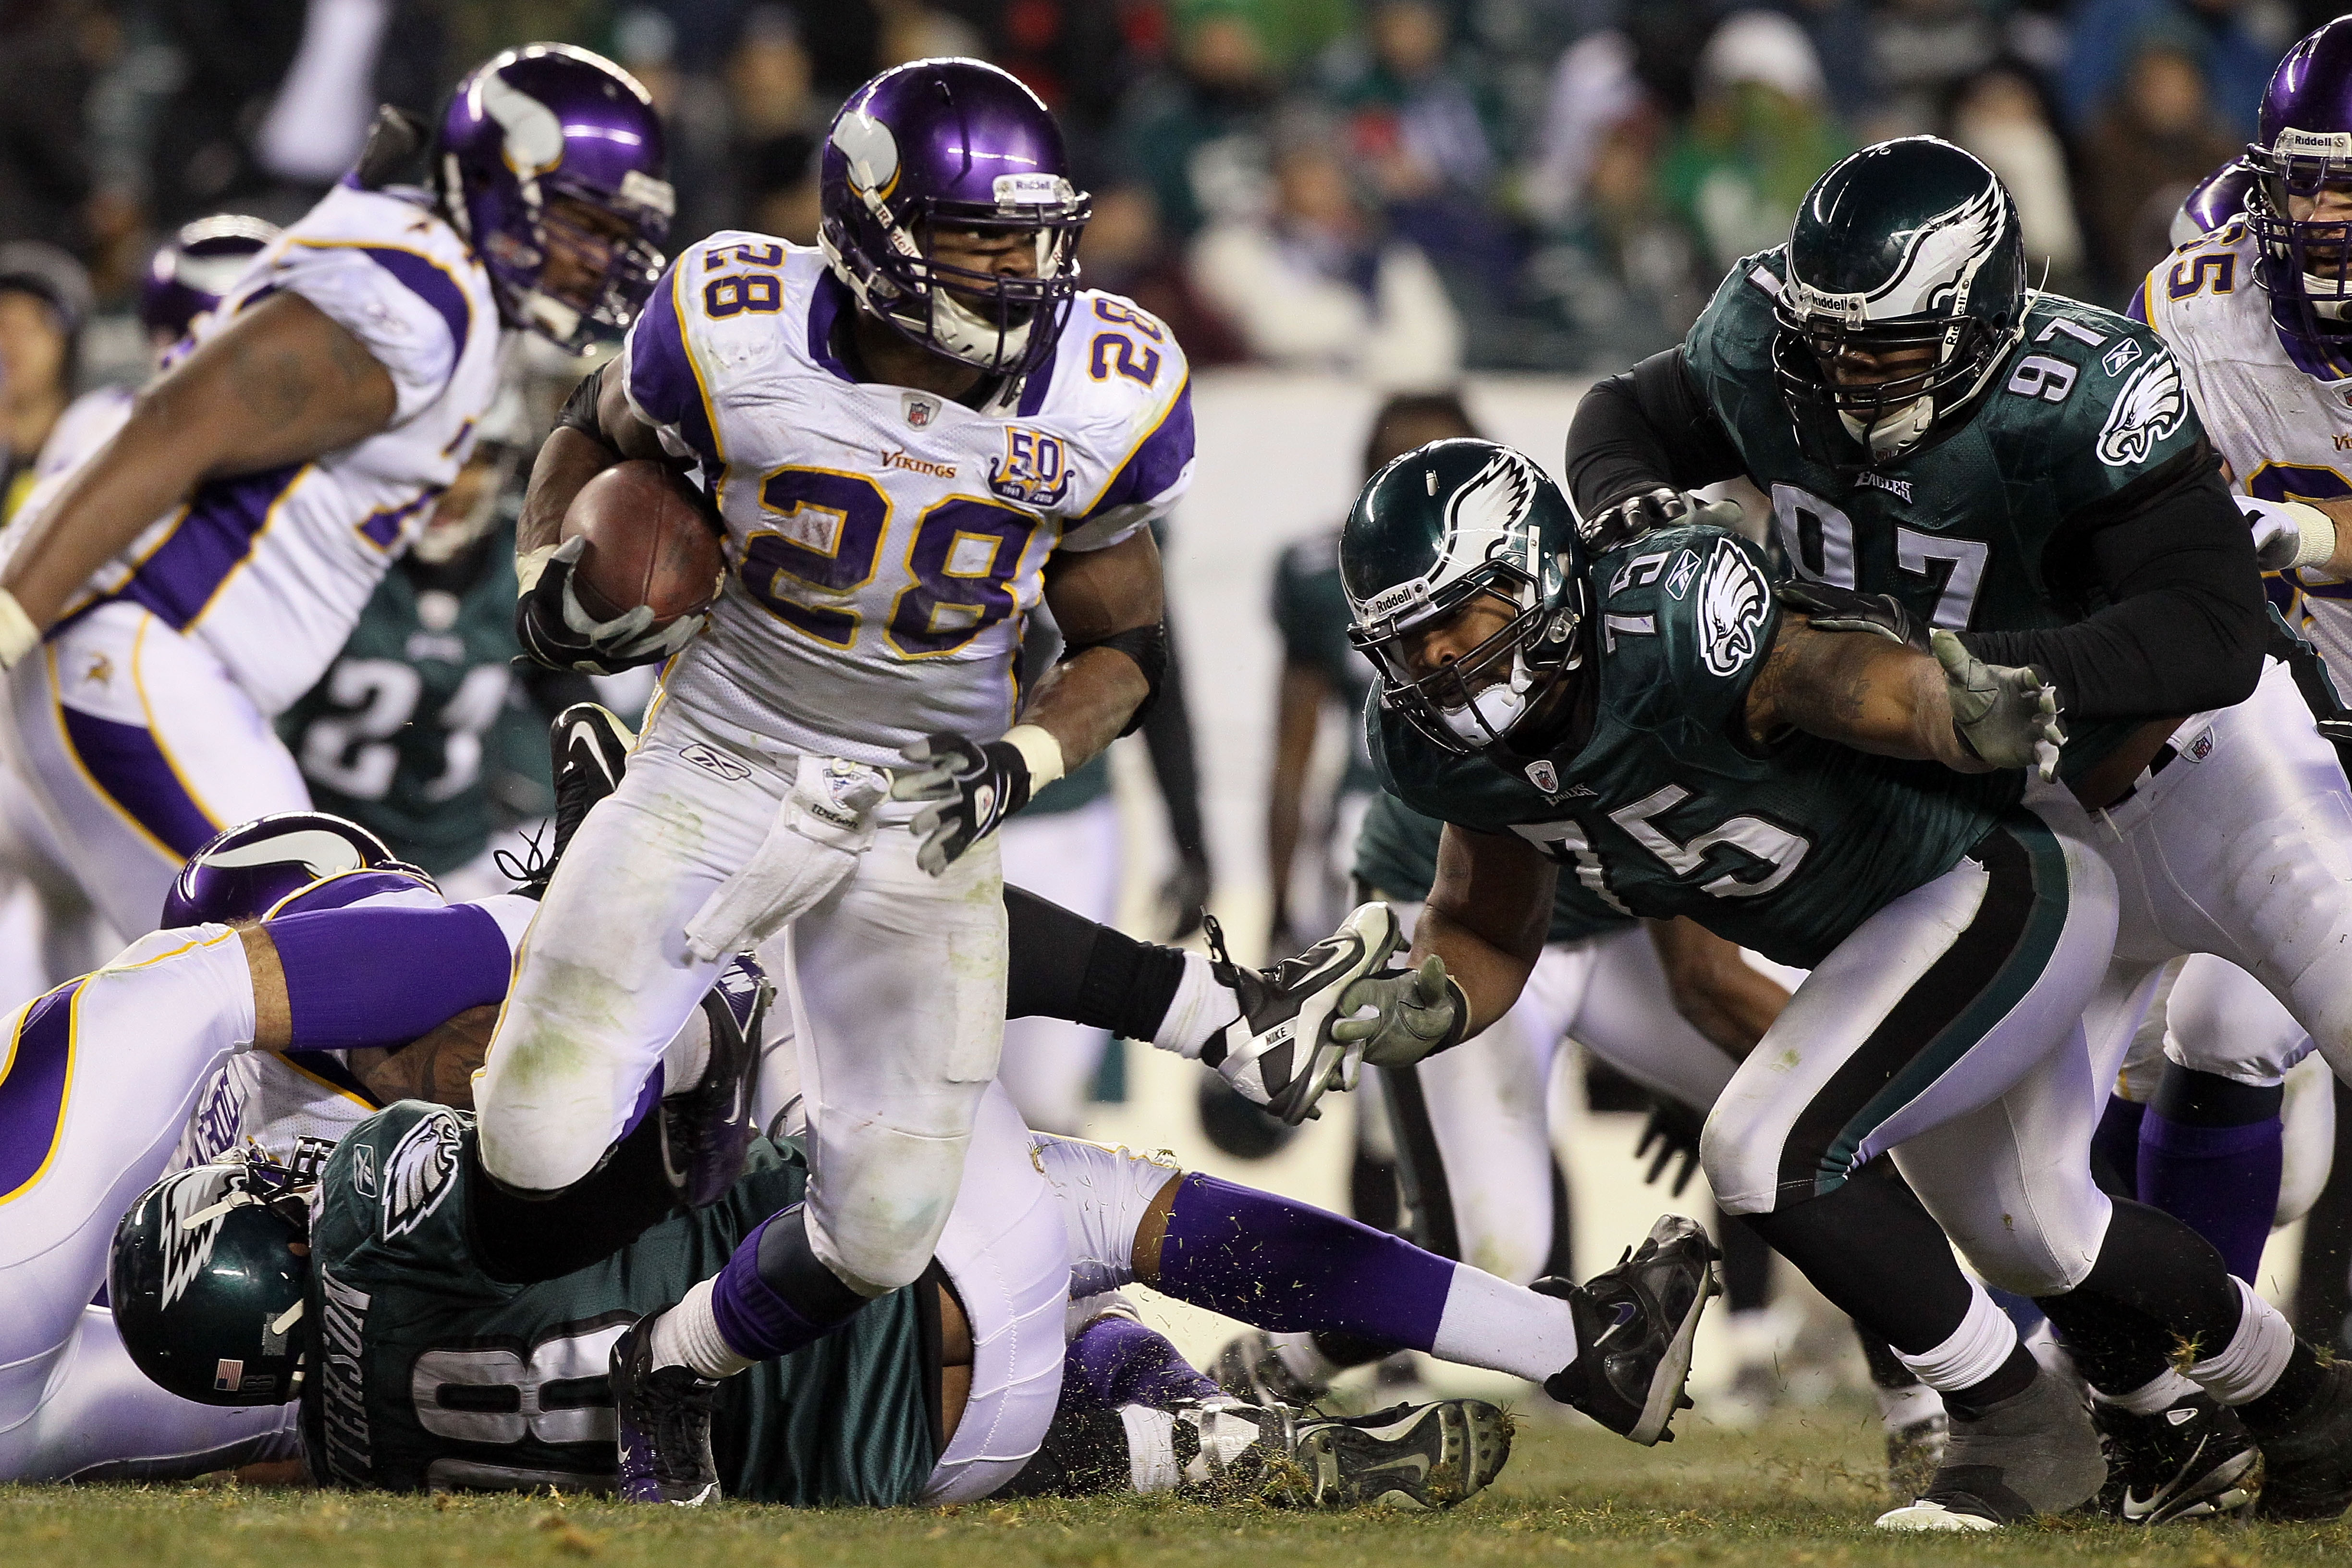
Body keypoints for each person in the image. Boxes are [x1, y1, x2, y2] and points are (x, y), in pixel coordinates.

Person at [1341, 433, 2347, 1528]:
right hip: (1890, 937)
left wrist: (1946, 709)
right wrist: (1433, 999)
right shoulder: (1437, 743)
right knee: (2037, 1231)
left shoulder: (1664, 615)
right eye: (1407, 640)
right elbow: (1483, 921)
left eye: (1458, 616)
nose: (1439, 660)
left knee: (1762, 1149)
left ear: (1536, 575)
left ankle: (2012, 1423)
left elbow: (1828, 671)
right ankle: (2299, 1402)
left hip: (1984, 884)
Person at [1566, 131, 2352, 1519]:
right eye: (1827, 345)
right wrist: (1627, 506)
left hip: (2209, 779)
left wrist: (2010, 676)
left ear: (1983, 323)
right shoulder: (1763, 341)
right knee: (2024, 1221)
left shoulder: (2086, 389)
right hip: (2017, 835)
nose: (1846, 377)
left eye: (1889, 347)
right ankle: (2269, 1413)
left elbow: (2214, 628)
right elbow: (1625, 411)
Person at [479, 57, 1192, 1386]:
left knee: (885, 1231)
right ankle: (691, 1084)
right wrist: (544, 580)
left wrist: (1022, 758)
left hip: (920, 802)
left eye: (1038, 237)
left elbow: (1126, 645)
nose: (1024, 271)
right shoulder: (733, 325)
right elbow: (589, 424)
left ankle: (672, 1369)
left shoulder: (1103, 384)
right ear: (874, 227)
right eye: (982, 238)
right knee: (531, 1139)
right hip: (720, 752)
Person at [106, 1091, 1713, 1507]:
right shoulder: (375, 1204)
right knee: (1110, 1201)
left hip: (933, 1455)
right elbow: (559, 1129)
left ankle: (1212, 1428)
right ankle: (1565, 1345)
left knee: (1014, 1381)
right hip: (890, 1256)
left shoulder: (356, 1458)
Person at [0, 44, 674, 945]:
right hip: (139, 657)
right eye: (584, 224)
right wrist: (9, 617)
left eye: (619, 234)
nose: (603, 260)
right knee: (311, 970)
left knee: (300, 987)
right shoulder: (419, 305)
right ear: (496, 182)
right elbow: (166, 431)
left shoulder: (445, 285)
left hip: (187, 676)